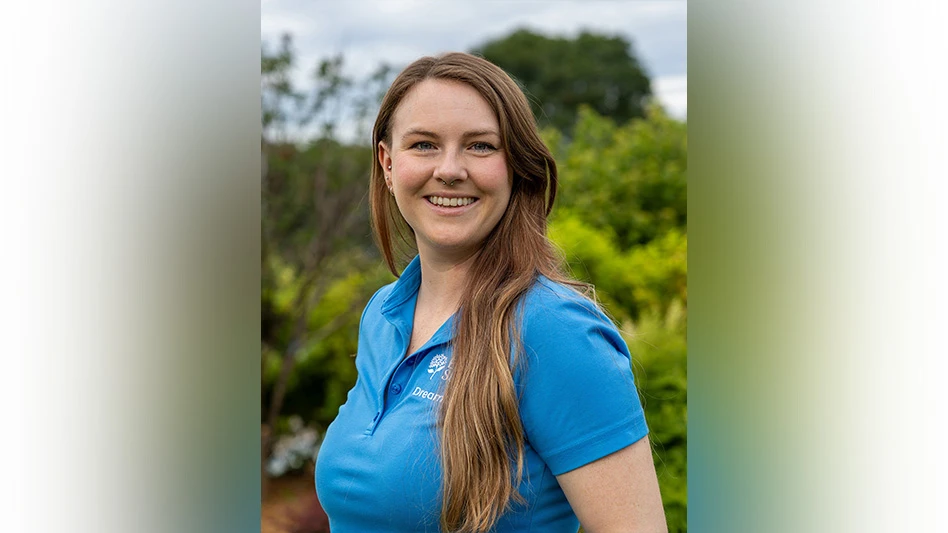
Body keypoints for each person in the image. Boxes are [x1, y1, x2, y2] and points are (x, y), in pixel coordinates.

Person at [314, 52, 667, 533]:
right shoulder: (382, 314)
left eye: (480, 146)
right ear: (388, 163)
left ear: (516, 166)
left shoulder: (554, 329)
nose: (451, 169)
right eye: (423, 145)